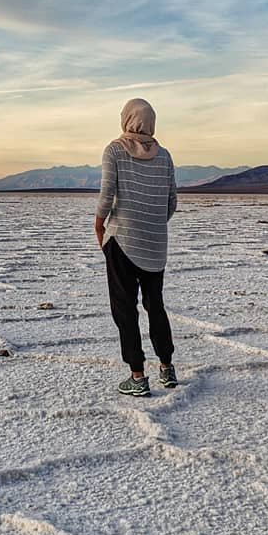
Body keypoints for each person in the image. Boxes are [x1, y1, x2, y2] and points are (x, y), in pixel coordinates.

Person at [94, 98, 178, 396]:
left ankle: (137, 376)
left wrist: (100, 225)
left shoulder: (114, 150)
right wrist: (152, 224)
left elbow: (107, 195)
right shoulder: (164, 156)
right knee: (155, 305)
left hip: (122, 241)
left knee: (125, 309)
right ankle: (167, 369)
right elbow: (171, 203)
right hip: (155, 244)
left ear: (127, 119)